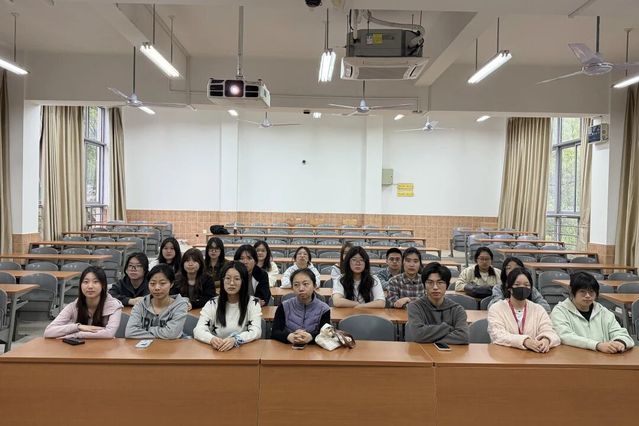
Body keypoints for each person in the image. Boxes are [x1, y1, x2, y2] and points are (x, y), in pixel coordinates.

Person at [551, 272, 634, 353]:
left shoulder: (602, 311)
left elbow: (620, 333)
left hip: (603, 357)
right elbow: (565, 336)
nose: (587, 296)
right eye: (582, 291)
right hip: (573, 357)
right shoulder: (560, 311)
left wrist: (619, 342)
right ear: (572, 291)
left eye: (591, 292)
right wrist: (597, 345)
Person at [487, 267, 560, 352]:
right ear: (509, 287)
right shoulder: (496, 308)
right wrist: (524, 341)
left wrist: (546, 339)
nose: (522, 288)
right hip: (504, 355)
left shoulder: (538, 309)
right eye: (517, 284)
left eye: (526, 285)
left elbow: (550, 331)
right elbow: (497, 335)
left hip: (533, 357)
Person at [194, 261, 262, 351]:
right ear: (222, 280)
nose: (232, 283)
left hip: (243, 352)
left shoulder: (253, 303)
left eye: (237, 279)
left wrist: (235, 340)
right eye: (228, 278)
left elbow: (256, 331)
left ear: (244, 281)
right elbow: (198, 330)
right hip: (217, 351)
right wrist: (212, 339)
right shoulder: (212, 303)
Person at [44, 266, 122, 339]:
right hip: (78, 347)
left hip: (105, 348)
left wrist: (76, 335)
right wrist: (78, 327)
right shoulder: (73, 306)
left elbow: (109, 333)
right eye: (86, 282)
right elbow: (48, 332)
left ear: (103, 285)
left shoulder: (114, 306)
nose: (90, 286)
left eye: (95, 282)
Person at [405, 262, 469, 344]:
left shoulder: (457, 309)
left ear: (447, 285)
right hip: (421, 351)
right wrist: (448, 328)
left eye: (440, 282)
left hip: (451, 352)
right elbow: (418, 335)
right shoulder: (415, 306)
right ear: (424, 285)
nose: (435, 287)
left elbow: (463, 337)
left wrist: (429, 339)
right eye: (430, 282)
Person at [125, 264, 188, 339]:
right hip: (145, 346)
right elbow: (130, 332)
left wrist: (144, 330)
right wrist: (163, 333)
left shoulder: (180, 305)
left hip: (172, 345)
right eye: (152, 283)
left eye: (162, 283)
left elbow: (171, 333)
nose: (157, 288)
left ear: (171, 284)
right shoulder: (141, 304)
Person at [271, 268, 331, 344]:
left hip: (313, 349)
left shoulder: (324, 309)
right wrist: (289, 336)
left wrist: (311, 337)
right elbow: (275, 332)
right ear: (292, 288)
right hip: (288, 348)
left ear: (314, 286)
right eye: (296, 285)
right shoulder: (284, 306)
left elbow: (326, 335)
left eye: (305, 284)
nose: (301, 289)